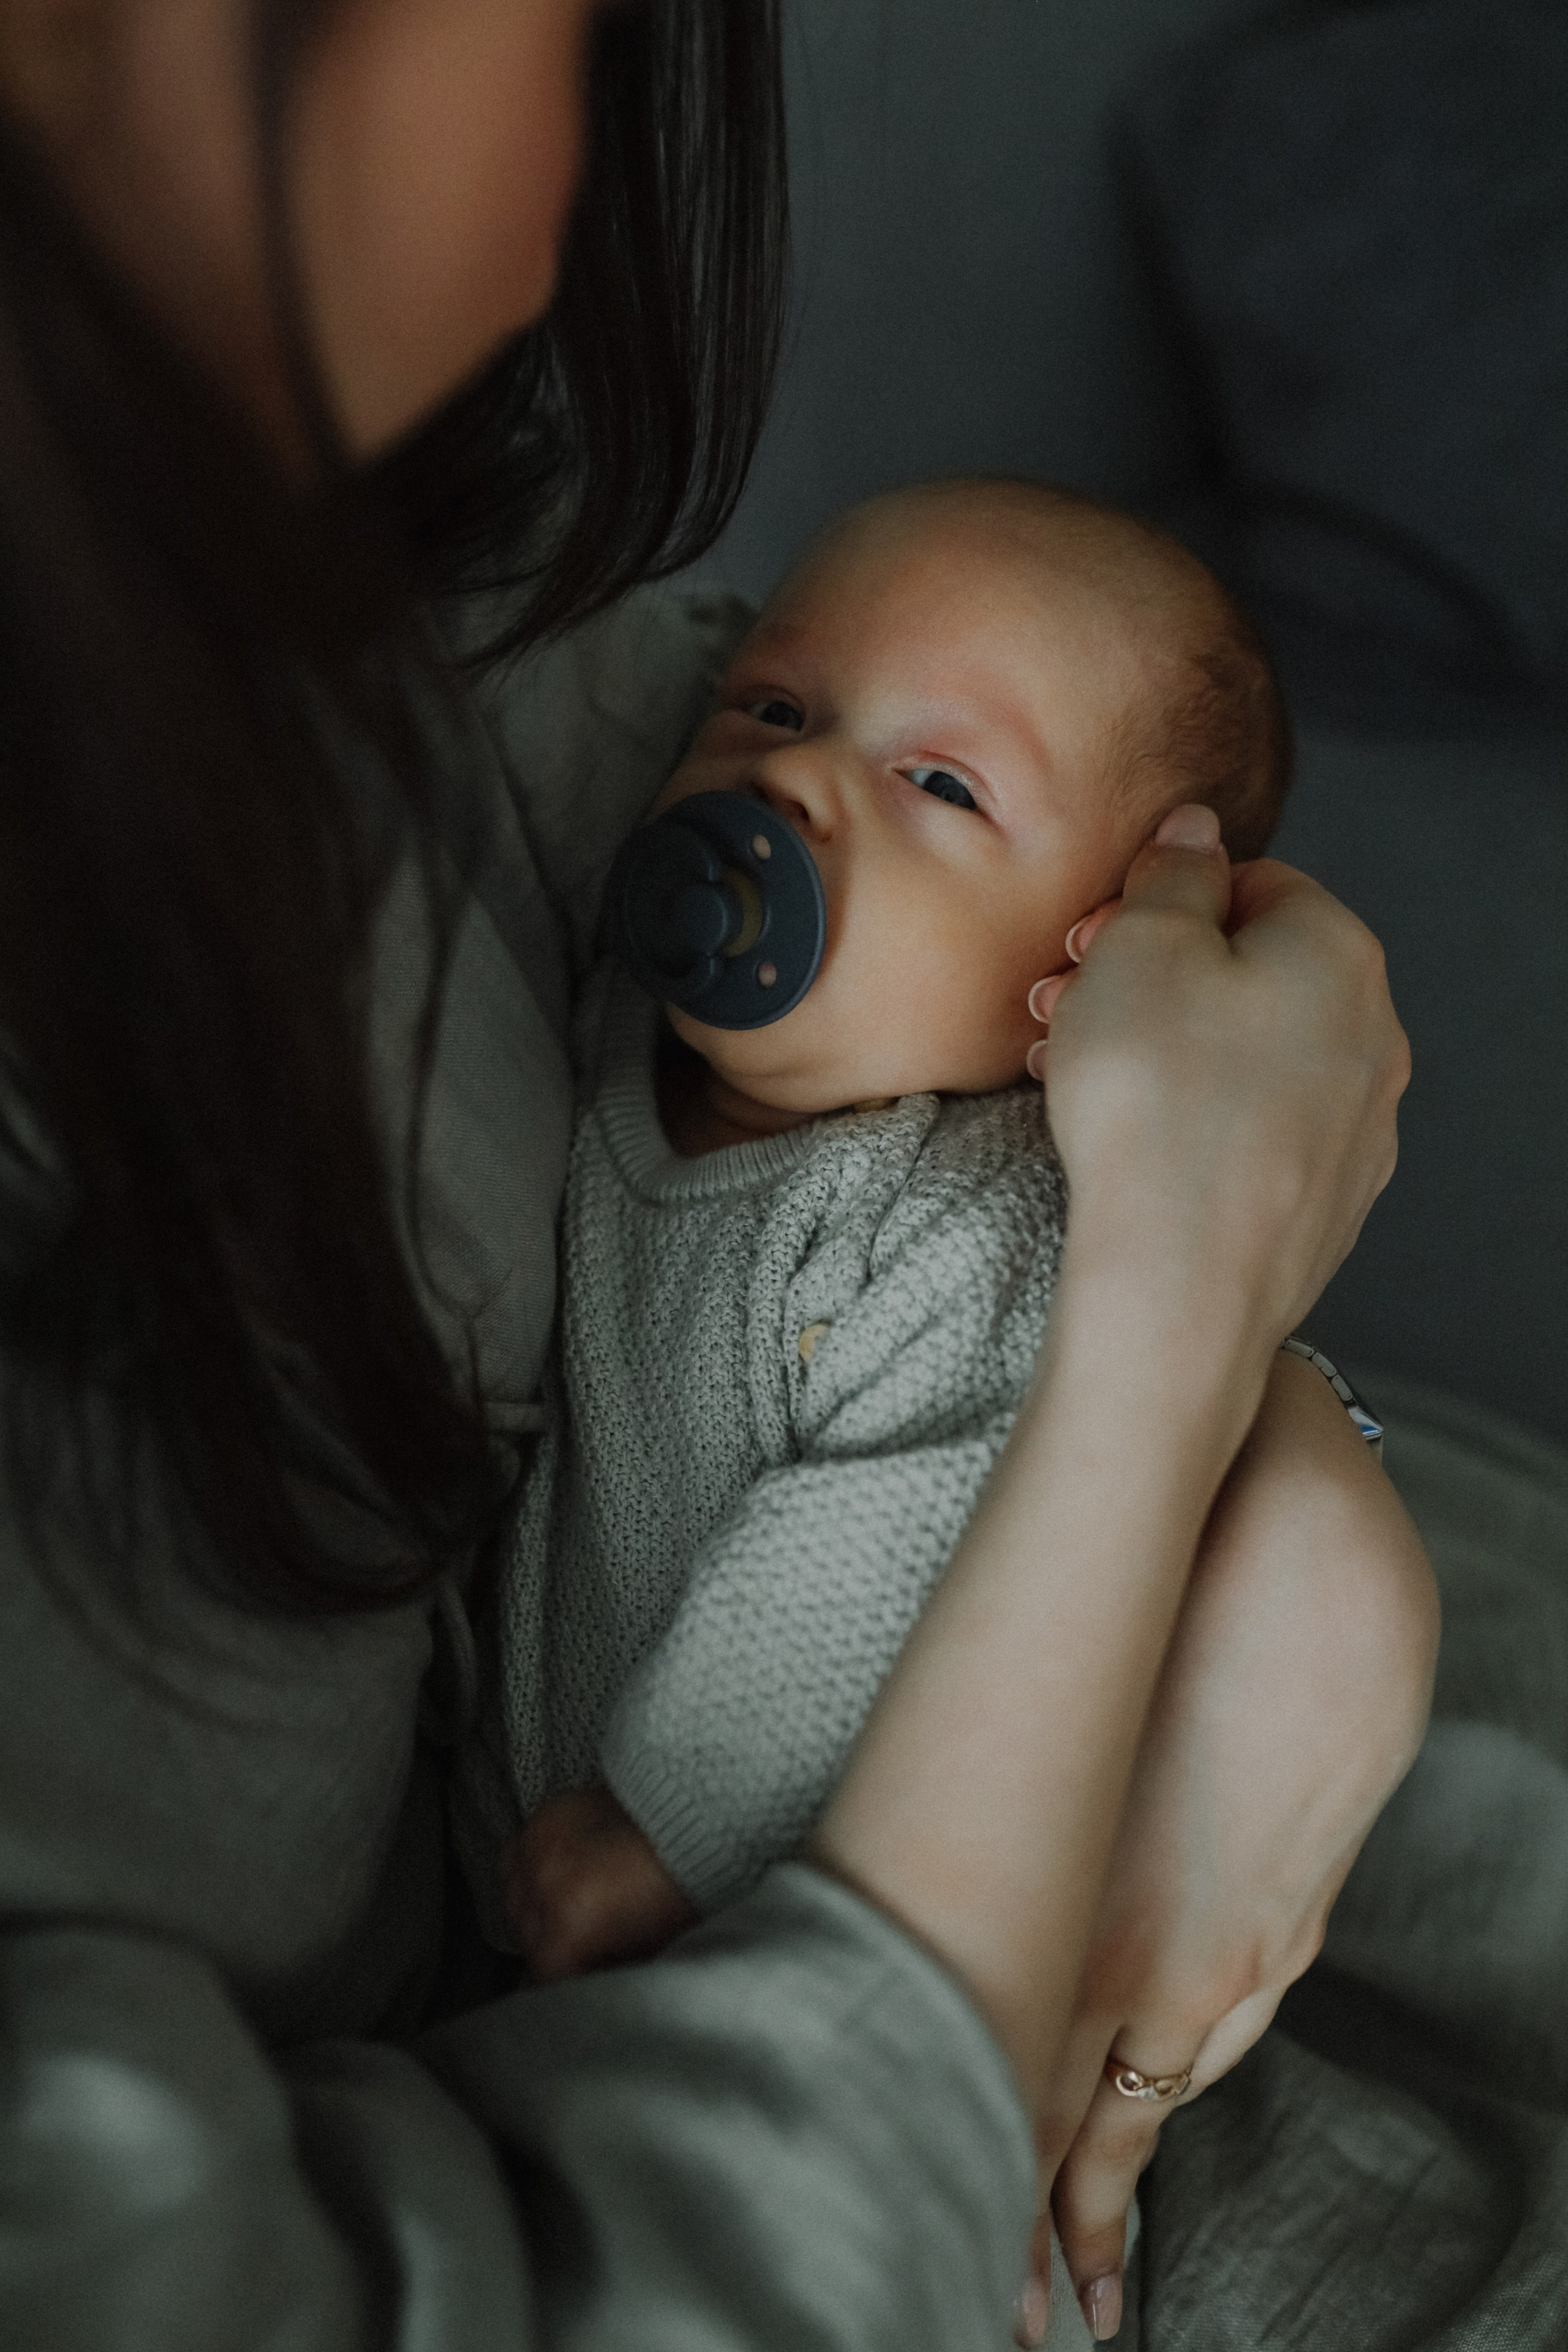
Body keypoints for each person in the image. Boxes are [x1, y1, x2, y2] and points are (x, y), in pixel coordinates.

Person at [0, 3, 1422, 2348]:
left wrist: (1288, 1494)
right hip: (733, 2077)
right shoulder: (590, 984)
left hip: (725, 1865)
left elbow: (869, 1532)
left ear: (1083, 972)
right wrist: (1186, 1333)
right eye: (770, 714)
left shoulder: (420, 624)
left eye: (940, 791)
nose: (790, 785)